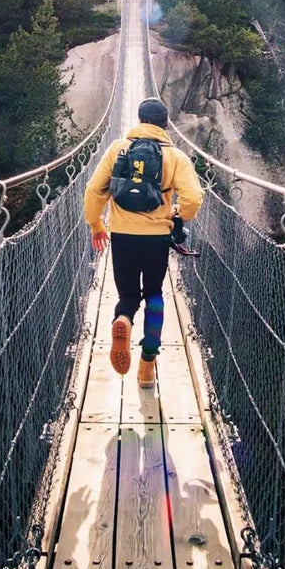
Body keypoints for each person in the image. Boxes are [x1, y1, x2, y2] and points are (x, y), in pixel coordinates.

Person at [84, 97, 203, 387]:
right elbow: (193, 199)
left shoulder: (117, 149)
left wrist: (96, 225)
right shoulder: (175, 157)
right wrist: (177, 215)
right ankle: (147, 364)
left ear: (138, 121)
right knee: (154, 296)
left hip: (122, 236)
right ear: (165, 124)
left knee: (127, 295)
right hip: (156, 240)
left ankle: (122, 319)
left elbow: (94, 190)